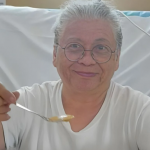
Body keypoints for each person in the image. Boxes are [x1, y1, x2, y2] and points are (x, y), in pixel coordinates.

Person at [0, 0, 150, 149]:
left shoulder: (140, 112)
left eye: (100, 48)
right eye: (74, 46)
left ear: (116, 58)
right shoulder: (23, 104)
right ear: (55, 55)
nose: (86, 60)